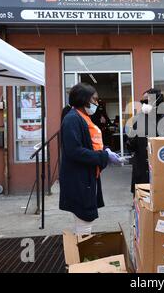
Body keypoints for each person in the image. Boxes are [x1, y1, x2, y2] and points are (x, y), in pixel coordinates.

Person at [59, 83, 123, 235]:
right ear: (84, 99)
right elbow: (74, 151)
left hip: (86, 176)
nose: (96, 103)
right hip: (78, 178)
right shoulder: (72, 119)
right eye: (94, 99)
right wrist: (104, 156)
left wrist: (105, 150)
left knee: (83, 219)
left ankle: (80, 250)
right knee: (84, 218)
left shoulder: (83, 117)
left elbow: (89, 142)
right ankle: (82, 252)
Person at [126, 88, 164, 195]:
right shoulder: (138, 120)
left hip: (162, 172)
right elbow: (130, 145)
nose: (143, 104)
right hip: (142, 171)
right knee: (142, 203)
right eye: (142, 102)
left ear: (157, 101)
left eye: (146, 101)